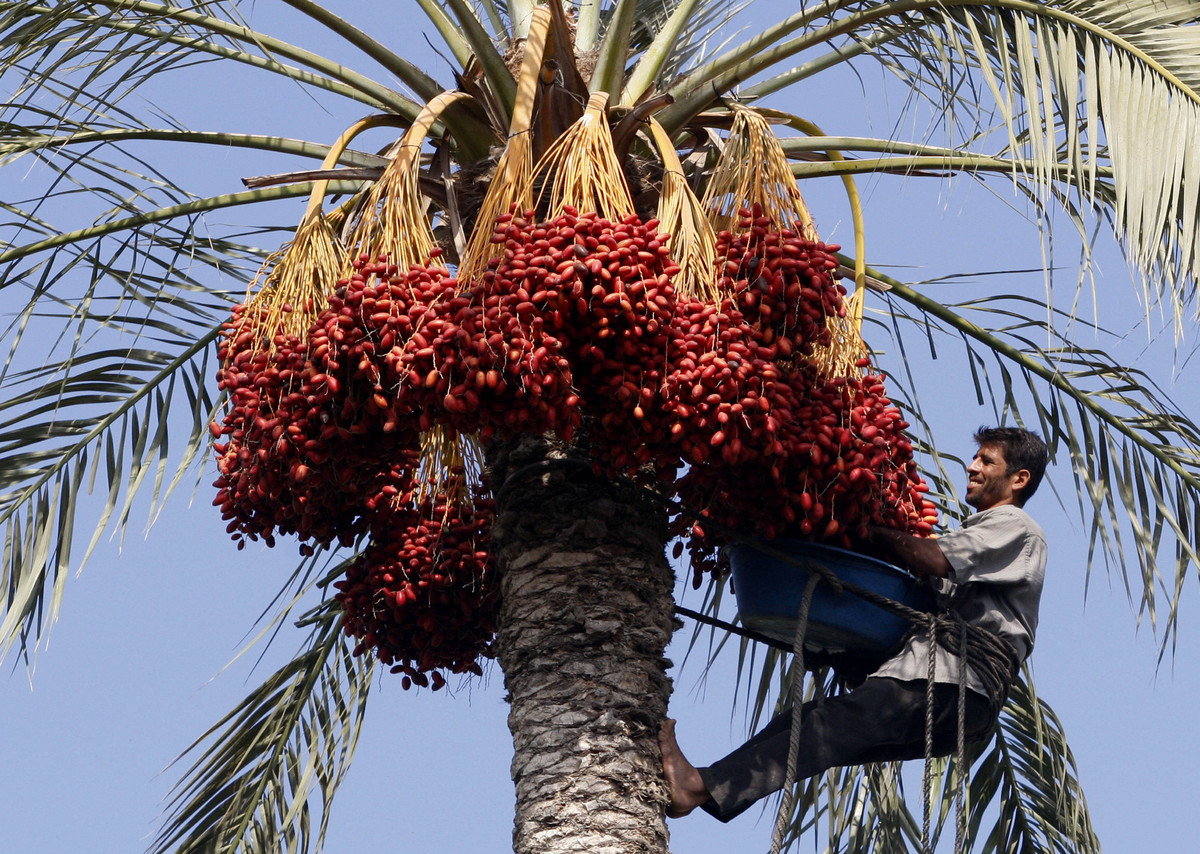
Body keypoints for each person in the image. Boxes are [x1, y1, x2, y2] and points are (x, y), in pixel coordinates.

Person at [660, 426, 1050, 822]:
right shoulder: (981, 531)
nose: (972, 466)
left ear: (1018, 479)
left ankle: (695, 786)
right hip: (962, 709)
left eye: (986, 461)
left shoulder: (1015, 526)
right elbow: (915, 602)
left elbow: (932, 560)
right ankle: (704, 791)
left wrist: (866, 530)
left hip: (951, 683)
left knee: (827, 728)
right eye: (975, 458)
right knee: (810, 728)